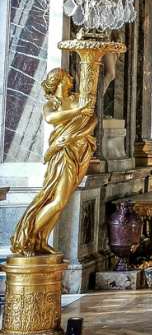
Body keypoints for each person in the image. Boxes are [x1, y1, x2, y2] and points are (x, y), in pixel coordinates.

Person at [9, 68, 96, 256]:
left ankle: (42, 240)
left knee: (60, 202)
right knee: (57, 200)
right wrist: (78, 111)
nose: (71, 78)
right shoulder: (51, 104)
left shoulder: (77, 97)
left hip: (79, 151)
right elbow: (50, 118)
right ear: (58, 80)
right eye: (67, 76)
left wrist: (76, 134)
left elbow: (93, 118)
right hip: (62, 154)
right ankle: (28, 238)